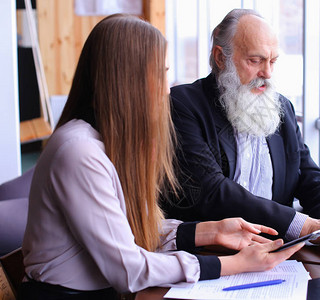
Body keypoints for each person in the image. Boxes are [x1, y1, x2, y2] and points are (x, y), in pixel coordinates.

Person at [20, 14, 303, 299]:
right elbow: (129, 270)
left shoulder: (102, 142)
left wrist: (211, 231)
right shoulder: (79, 152)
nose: (166, 88)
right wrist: (232, 264)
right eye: (161, 72)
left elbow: (131, 230)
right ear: (127, 80)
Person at [163, 8, 320, 260]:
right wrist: (304, 225)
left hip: (277, 255)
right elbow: (212, 191)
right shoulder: (183, 104)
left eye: (272, 61)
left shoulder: (281, 106)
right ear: (221, 58)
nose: (267, 73)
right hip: (208, 258)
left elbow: (306, 172)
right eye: (255, 60)